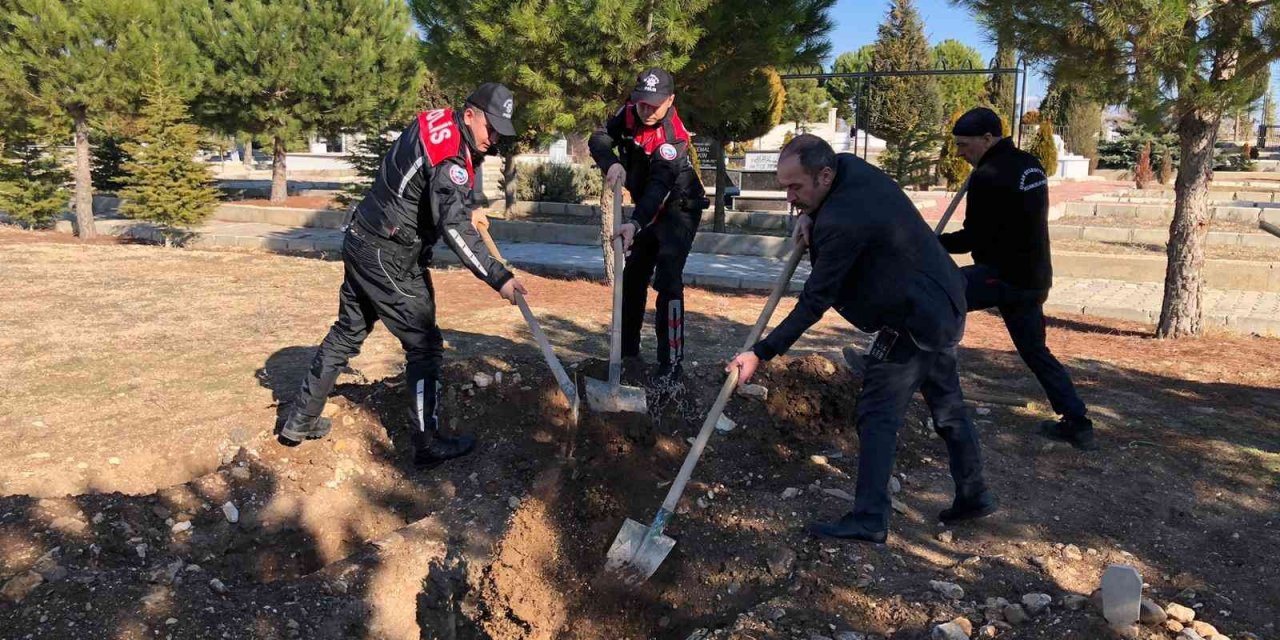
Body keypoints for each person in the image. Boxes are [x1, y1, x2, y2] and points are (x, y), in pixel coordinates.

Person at [727, 135, 997, 543]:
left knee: (877, 413)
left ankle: (870, 518)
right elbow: (828, 210)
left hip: (913, 317)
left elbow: (816, 299)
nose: (789, 198)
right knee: (947, 406)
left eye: (795, 188)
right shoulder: (849, 168)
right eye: (784, 187)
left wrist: (761, 353)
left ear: (824, 175)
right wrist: (810, 215)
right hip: (942, 298)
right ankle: (974, 493)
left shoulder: (842, 221)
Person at [277, 83, 528, 469]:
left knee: (347, 332)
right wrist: (500, 278)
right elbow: (454, 228)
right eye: (490, 128)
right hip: (389, 255)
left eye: (499, 133)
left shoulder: (437, 121)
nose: (492, 139)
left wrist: (465, 207)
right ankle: (428, 445)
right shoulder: (451, 163)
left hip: (363, 234)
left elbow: (424, 185)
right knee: (425, 345)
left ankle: (299, 422)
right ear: (471, 113)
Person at [940, 107, 1096, 451]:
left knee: (932, 296)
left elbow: (972, 239)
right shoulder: (1030, 164)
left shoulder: (988, 175)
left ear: (987, 138)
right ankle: (1078, 423)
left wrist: (930, 243)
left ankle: (884, 363)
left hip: (1002, 277)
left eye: (965, 146)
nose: (961, 154)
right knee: (1035, 351)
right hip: (1034, 277)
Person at [589, 67, 708, 386]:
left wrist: (634, 224)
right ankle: (627, 357)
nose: (647, 109)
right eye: (642, 102)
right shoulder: (628, 114)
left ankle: (671, 365)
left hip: (678, 208)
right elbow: (598, 138)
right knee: (633, 278)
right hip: (647, 206)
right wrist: (610, 162)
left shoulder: (673, 139)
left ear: (670, 100)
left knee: (668, 278)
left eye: (655, 104)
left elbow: (659, 188)